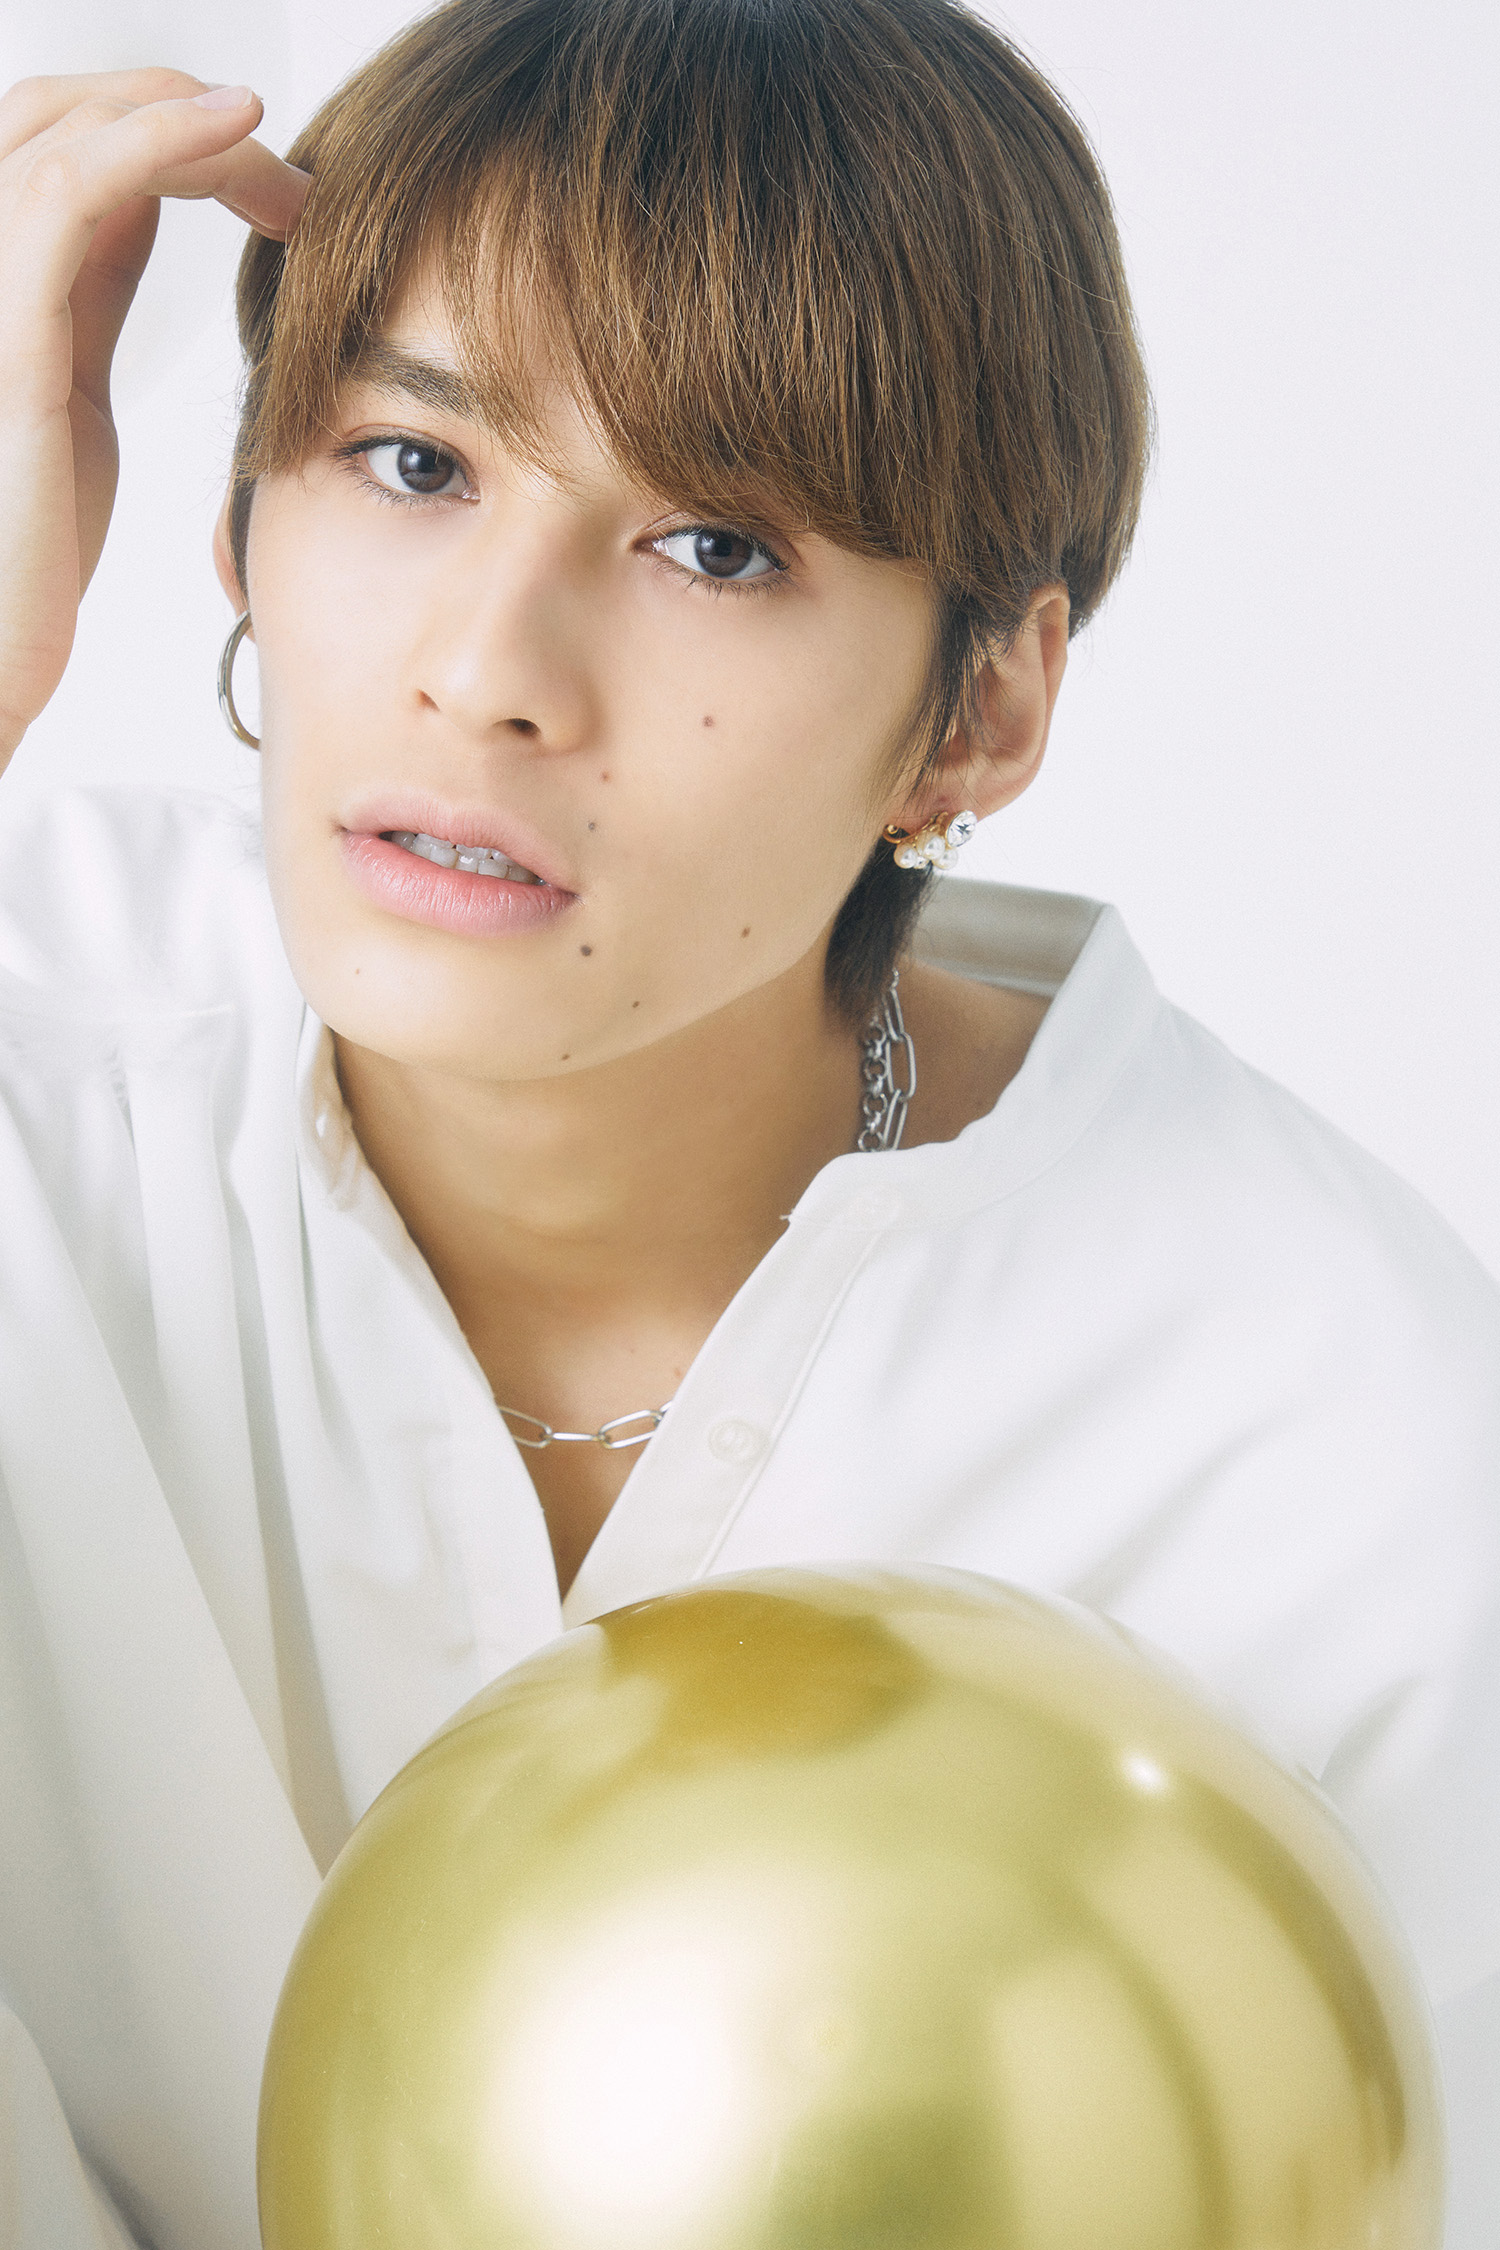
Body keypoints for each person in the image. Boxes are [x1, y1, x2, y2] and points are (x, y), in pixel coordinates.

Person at [0, 3, 1495, 2246]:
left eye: (714, 546)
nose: (488, 669)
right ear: (237, 520)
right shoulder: (40, 1052)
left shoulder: (1331, 1449)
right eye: (412, 464)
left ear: (974, 714)